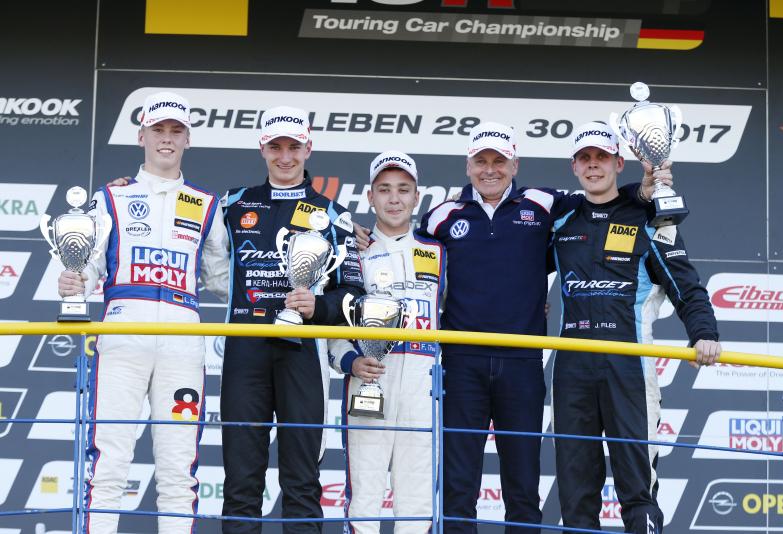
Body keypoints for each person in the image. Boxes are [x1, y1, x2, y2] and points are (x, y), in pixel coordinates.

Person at [414, 121, 662, 534]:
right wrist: (367, 239)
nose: (490, 170)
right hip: (461, 362)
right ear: (468, 165)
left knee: (523, 489)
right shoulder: (441, 215)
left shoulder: (545, 202)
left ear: (515, 165)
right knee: (458, 487)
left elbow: (601, 197)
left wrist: (645, 189)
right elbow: (408, 254)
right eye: (481, 161)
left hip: (521, 364)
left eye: (499, 161)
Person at [57, 91, 230, 533]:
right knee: (109, 462)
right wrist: (76, 281)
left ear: (188, 139)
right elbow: (90, 266)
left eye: (176, 131)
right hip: (123, 335)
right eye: (158, 130)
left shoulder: (207, 204)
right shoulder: (110, 198)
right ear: (142, 136)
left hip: (182, 341)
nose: (166, 139)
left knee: (178, 468)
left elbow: (222, 279)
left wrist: (286, 284)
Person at [549, 122, 721, 534]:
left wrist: (704, 333)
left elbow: (686, 285)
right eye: (585, 159)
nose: (593, 166)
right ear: (574, 167)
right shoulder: (560, 220)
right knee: (575, 493)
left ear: (618, 163)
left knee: (637, 488)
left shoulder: (648, 218)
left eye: (602, 158)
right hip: (571, 368)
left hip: (630, 367)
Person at [220, 106, 365, 533]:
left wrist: (317, 308)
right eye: (276, 147)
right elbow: (197, 249)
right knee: (241, 480)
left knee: (302, 480)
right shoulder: (232, 205)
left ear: (308, 149)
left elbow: (354, 295)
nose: (285, 157)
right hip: (245, 350)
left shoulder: (333, 216)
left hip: (303, 355)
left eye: (294, 147)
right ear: (262, 148)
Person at [329, 151, 445, 534]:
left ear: (417, 196)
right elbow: (333, 319)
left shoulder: (438, 252)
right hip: (370, 377)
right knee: (365, 492)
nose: (394, 199)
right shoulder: (352, 250)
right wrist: (350, 361)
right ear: (370, 197)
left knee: (417, 497)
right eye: (384, 190)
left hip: (423, 382)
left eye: (403, 189)